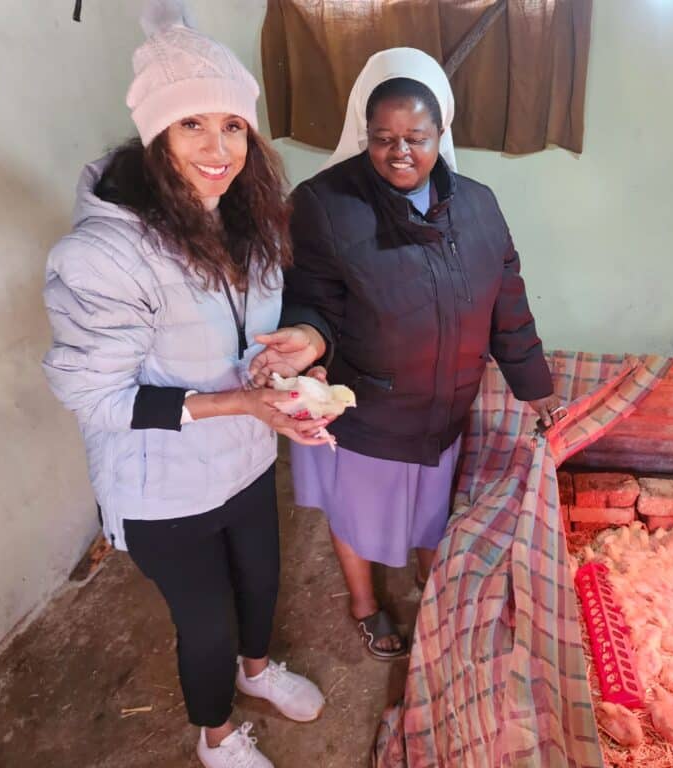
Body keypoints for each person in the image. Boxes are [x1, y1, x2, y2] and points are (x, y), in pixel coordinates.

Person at [42, 4, 330, 766]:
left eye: (233, 125)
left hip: (244, 456)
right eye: (191, 126)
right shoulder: (105, 254)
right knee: (206, 623)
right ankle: (216, 735)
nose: (218, 148)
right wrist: (240, 400)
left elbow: (263, 318)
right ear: (154, 136)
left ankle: (259, 672)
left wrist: (296, 348)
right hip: (161, 484)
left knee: (261, 584)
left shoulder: (249, 216)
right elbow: (94, 397)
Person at [250, 48, 566, 660]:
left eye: (415, 137)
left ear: (441, 132)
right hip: (366, 409)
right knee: (355, 515)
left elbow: (508, 301)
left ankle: (431, 580)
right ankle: (365, 604)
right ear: (363, 137)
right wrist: (311, 339)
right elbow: (313, 297)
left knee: (430, 510)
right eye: (382, 139)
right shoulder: (326, 205)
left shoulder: (478, 206)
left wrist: (536, 385)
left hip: (442, 408)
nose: (400, 152)